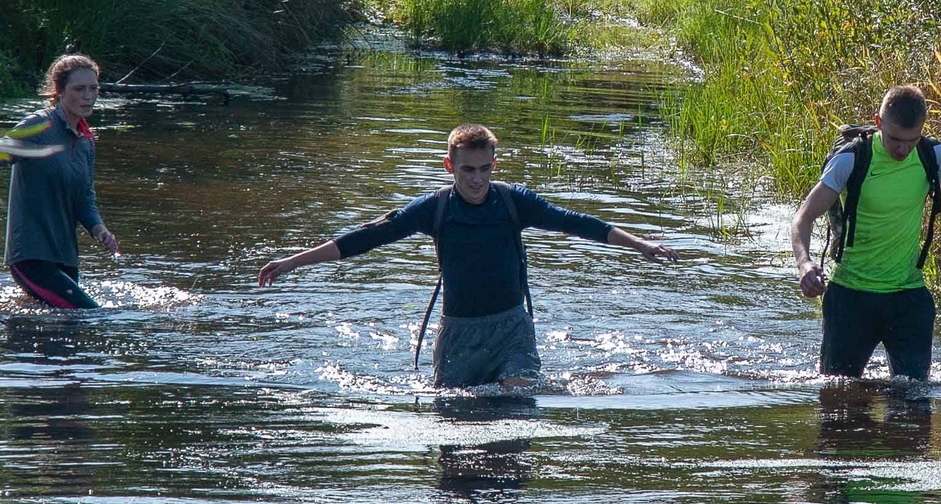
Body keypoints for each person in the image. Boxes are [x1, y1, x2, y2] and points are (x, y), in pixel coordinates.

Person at [255, 123, 677, 388]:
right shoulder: (434, 208)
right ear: (449, 166)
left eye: (484, 169)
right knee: (455, 429)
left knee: (516, 407)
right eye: (467, 170)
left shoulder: (515, 202)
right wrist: (293, 261)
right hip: (457, 334)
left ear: (494, 164)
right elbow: (366, 238)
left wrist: (640, 245)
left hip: (512, 329)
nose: (477, 180)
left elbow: (576, 221)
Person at [789, 85, 941, 383]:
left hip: (908, 297)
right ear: (878, 123)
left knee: (914, 403)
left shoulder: (932, 155)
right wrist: (805, 264)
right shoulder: (852, 159)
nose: (902, 150)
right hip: (850, 297)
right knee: (839, 403)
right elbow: (804, 217)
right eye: (894, 140)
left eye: (911, 141)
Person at [0, 52, 118, 310]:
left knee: (62, 335)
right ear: (59, 91)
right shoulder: (40, 126)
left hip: (66, 257)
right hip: (30, 256)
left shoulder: (85, 142)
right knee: (88, 314)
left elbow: (84, 197)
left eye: (93, 88)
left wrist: (99, 229)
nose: (88, 95)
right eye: (79, 88)